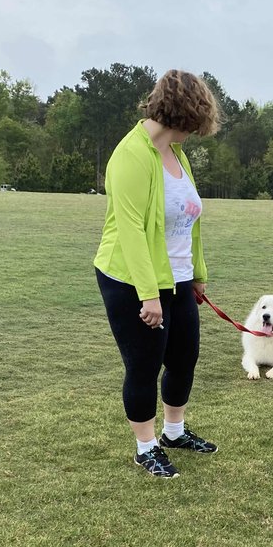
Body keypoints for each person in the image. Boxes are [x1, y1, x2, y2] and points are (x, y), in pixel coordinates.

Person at [94, 70, 221, 478]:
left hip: (177, 277)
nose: (199, 131)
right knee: (145, 366)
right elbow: (129, 230)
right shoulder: (130, 155)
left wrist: (197, 274)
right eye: (198, 121)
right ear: (183, 114)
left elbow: (190, 218)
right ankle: (145, 447)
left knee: (184, 358)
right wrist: (148, 296)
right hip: (131, 279)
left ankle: (174, 432)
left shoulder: (177, 154)